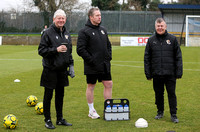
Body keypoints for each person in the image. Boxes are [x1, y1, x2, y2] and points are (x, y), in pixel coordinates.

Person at [38, 9, 75, 129]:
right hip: (50, 70)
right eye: (59, 18)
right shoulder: (47, 33)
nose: (61, 20)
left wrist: (71, 65)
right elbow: (41, 50)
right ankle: (47, 120)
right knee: (48, 95)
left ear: (65, 20)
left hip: (62, 71)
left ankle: (59, 119)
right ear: (54, 19)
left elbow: (69, 52)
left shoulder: (67, 33)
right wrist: (56, 49)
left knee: (60, 96)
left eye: (63, 18)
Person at [144, 18, 183, 123]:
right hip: (156, 73)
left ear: (165, 27)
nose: (160, 28)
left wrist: (179, 71)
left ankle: (173, 114)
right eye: (158, 26)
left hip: (170, 73)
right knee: (158, 94)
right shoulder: (151, 40)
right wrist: (148, 73)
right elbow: (146, 58)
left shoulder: (173, 39)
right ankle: (160, 112)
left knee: (171, 94)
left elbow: (178, 56)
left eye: (162, 26)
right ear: (155, 27)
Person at [77, 7, 113, 119]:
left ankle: (109, 108)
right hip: (92, 65)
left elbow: (108, 45)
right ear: (91, 17)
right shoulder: (84, 31)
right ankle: (91, 110)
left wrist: (108, 57)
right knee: (91, 86)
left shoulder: (103, 30)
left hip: (104, 64)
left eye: (100, 15)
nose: (99, 17)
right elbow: (80, 49)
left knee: (108, 84)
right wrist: (92, 60)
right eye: (97, 15)